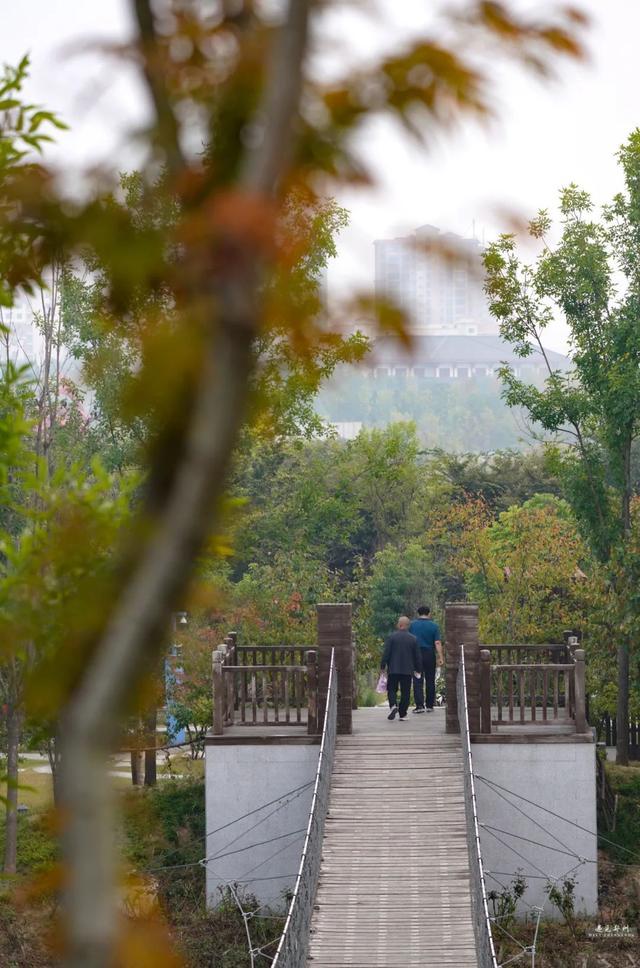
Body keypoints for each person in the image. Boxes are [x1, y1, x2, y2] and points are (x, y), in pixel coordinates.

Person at [380, 616, 422, 722]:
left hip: (393, 669)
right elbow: (417, 656)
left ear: (399, 625)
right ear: (408, 626)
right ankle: (402, 714)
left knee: (392, 689)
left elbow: (387, 653)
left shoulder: (392, 637)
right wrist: (418, 669)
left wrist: (383, 665)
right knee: (406, 692)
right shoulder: (413, 639)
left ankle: (393, 706)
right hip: (407, 670)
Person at [410, 606, 444, 713]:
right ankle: (429, 705)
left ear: (418, 613)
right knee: (430, 680)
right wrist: (440, 657)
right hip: (429, 654)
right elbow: (437, 642)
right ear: (429, 613)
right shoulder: (434, 626)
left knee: (417, 680)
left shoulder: (412, 625)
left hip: (416, 654)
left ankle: (419, 706)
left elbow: (409, 640)